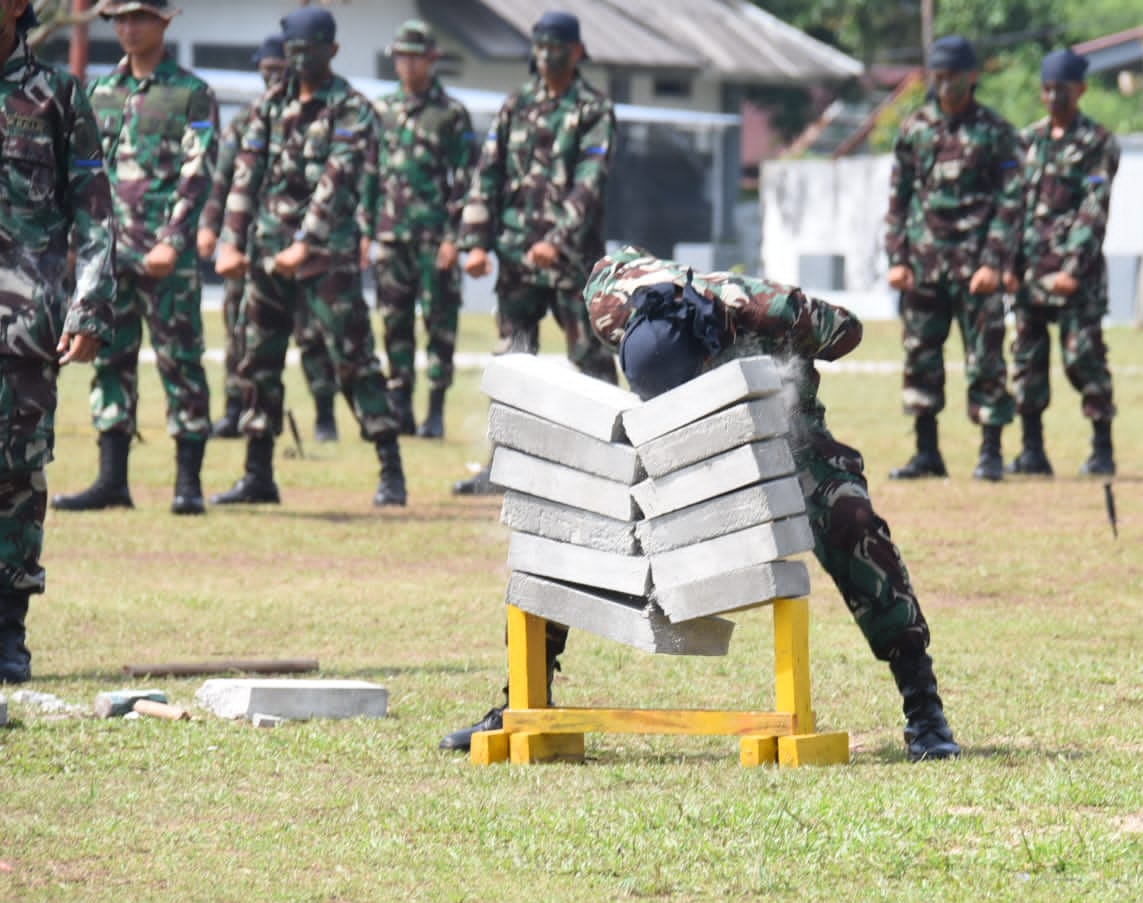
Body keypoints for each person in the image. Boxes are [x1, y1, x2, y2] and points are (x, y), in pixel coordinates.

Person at [440, 246, 963, 763]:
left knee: (851, 520)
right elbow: (606, 262)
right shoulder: (613, 303)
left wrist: (752, 309)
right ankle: (521, 699)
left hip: (787, 433)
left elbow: (848, 330)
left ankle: (923, 708)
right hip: (667, 436)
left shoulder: (768, 311)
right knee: (575, 513)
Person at [212, 6, 407, 507]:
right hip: (266, 254)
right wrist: (231, 239)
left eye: (308, 52)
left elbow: (338, 180)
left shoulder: (351, 108)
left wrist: (306, 242)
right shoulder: (268, 107)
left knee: (353, 360)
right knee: (257, 359)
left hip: (326, 257)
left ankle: (391, 470)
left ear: (331, 51)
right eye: (291, 52)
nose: (298, 61)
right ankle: (258, 474)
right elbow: (245, 172)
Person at [52, 0, 216, 516]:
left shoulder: (191, 94)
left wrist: (173, 237)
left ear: (164, 21)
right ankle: (111, 482)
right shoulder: (99, 92)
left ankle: (187, 484)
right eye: (118, 19)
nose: (127, 28)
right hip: (108, 256)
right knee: (108, 361)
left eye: (138, 17)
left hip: (166, 257)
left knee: (181, 363)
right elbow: (81, 172)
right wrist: (77, 242)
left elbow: (199, 169)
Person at [453, 10, 617, 496]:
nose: (547, 55)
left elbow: (591, 184)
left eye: (557, 46)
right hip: (517, 260)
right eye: (540, 46)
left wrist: (557, 239)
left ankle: (610, 465)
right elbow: (487, 174)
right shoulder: (515, 106)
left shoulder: (593, 110)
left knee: (591, 364)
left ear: (577, 51)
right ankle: (503, 466)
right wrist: (476, 243)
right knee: (512, 364)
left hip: (570, 262)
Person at [0, 0, 116, 682]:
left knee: (15, 479)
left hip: (24, 326)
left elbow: (94, 212)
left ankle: (8, 632)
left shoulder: (58, 97)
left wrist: (89, 308)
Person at [884, 35, 1022, 482]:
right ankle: (927, 453)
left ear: (972, 77)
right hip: (923, 266)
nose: (944, 85)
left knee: (985, 359)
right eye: (937, 77)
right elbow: (898, 199)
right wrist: (897, 258)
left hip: (977, 267)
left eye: (952, 77)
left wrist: (995, 263)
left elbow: (1011, 201)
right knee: (920, 358)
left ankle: (990, 453)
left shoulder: (997, 132)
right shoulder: (914, 129)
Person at [1004, 49, 1120, 477]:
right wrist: (1008, 266)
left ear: (1081, 90)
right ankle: (1032, 451)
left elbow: (1094, 209)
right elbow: (1011, 205)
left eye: (1063, 90)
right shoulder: (1026, 141)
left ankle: (1102, 449)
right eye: (1048, 89)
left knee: (1083, 359)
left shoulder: (1098, 142)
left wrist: (1072, 268)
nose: (1055, 97)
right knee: (1027, 362)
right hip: (1029, 273)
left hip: (1077, 278)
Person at [370, 20, 477, 440]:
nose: (407, 64)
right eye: (401, 56)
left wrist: (455, 237)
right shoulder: (380, 111)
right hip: (391, 236)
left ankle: (434, 409)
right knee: (394, 322)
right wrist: (367, 232)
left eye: (415, 56)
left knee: (439, 323)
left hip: (435, 240)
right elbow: (368, 175)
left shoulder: (450, 114)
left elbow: (466, 180)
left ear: (431, 59)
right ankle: (400, 407)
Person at [198, 32, 285, 442]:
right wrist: (212, 229)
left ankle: (325, 416)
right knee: (237, 326)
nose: (273, 77)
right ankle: (235, 408)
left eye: (279, 70)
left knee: (318, 337)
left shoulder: (315, 113)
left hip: (296, 244)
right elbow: (223, 179)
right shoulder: (246, 118)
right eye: (267, 70)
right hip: (246, 241)